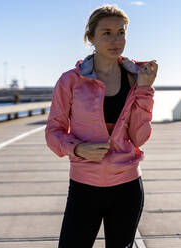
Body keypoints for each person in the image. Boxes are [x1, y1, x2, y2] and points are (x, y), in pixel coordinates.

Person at [45, 4, 157, 248]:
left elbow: (139, 137)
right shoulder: (70, 81)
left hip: (127, 186)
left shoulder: (136, 77)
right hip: (84, 186)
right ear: (91, 38)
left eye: (121, 32)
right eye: (106, 32)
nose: (116, 39)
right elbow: (53, 133)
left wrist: (145, 89)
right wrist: (78, 148)